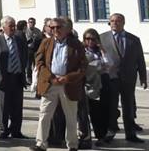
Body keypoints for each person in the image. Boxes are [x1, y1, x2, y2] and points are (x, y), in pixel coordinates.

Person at [32, 16, 86, 151]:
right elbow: (39, 62)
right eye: (52, 27)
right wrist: (50, 78)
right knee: (44, 114)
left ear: (67, 29)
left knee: (71, 116)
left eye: (58, 27)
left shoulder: (76, 44)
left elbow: (83, 66)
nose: (55, 30)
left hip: (69, 85)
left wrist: (68, 78)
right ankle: (41, 144)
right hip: (50, 84)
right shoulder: (46, 43)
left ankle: (72, 145)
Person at [99, 13, 146, 144]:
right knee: (111, 106)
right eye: (112, 21)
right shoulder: (102, 38)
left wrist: (143, 77)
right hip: (110, 78)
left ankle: (130, 134)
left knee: (128, 107)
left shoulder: (134, 40)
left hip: (128, 79)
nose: (115, 23)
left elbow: (140, 59)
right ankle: (110, 131)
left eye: (118, 21)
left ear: (123, 22)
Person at [0, 16, 29, 139]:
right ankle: (3, 130)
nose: (13, 28)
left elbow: (24, 55)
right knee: (4, 106)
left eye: (14, 25)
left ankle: (16, 130)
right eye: (10, 26)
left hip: (17, 76)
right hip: (3, 78)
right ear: (3, 27)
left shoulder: (19, 39)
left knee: (17, 106)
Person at [79, 28, 112, 148]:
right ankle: (85, 137)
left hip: (101, 82)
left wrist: (102, 49)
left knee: (100, 111)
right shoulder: (82, 51)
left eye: (93, 39)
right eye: (87, 39)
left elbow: (109, 64)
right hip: (87, 83)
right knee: (86, 112)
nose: (90, 41)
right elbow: (84, 66)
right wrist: (98, 65)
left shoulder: (100, 51)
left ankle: (101, 135)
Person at [25, 17, 44, 83]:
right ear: (28, 23)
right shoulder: (26, 31)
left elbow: (40, 39)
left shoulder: (37, 31)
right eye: (30, 22)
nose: (32, 24)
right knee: (28, 64)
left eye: (33, 22)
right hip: (28, 49)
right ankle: (29, 78)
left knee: (36, 64)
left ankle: (37, 77)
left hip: (36, 49)